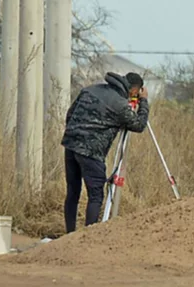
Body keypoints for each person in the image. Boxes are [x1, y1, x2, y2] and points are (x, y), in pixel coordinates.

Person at [60, 72, 150, 233]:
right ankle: (87, 238)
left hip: (71, 144)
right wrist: (144, 102)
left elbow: (70, 115)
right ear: (134, 91)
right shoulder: (120, 104)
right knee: (95, 195)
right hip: (91, 152)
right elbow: (139, 125)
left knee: (73, 192)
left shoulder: (90, 90)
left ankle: (69, 235)